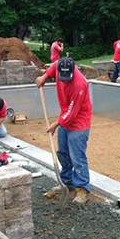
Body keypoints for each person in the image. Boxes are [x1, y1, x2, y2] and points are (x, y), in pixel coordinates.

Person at [36, 56, 93, 205]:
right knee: (63, 153)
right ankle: (67, 183)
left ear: (73, 71)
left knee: (77, 157)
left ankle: (83, 189)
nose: (65, 81)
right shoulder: (60, 66)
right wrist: (44, 76)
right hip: (65, 118)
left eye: (68, 78)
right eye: (63, 78)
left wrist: (56, 124)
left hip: (79, 122)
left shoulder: (79, 85)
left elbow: (72, 113)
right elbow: (54, 65)